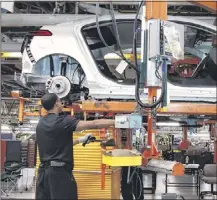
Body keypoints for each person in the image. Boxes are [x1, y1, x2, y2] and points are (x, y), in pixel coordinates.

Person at [36, 93, 115, 200]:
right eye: (60, 101)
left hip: (43, 175)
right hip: (59, 175)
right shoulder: (63, 121)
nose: (61, 103)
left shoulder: (40, 123)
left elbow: (58, 145)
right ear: (56, 103)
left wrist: (80, 140)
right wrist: (118, 122)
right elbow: (94, 124)